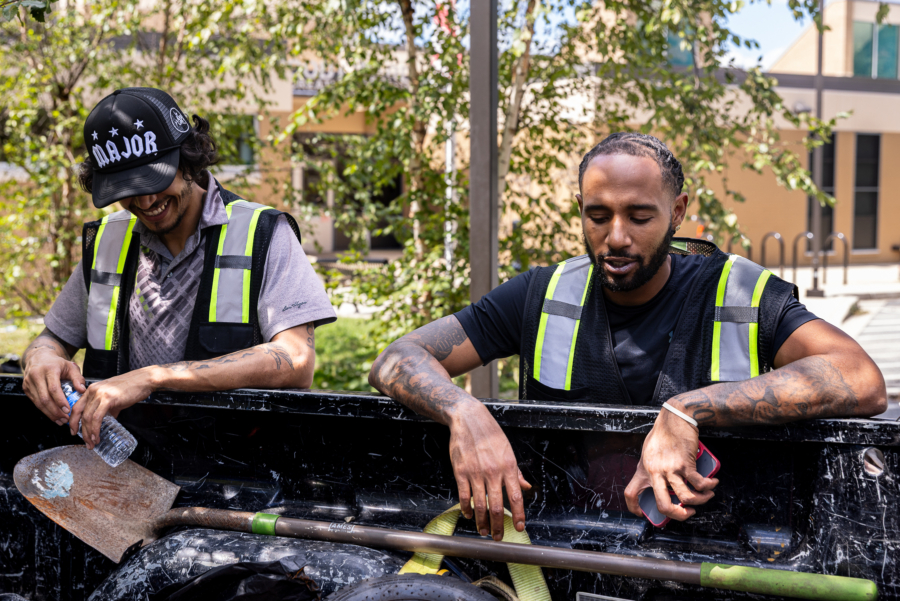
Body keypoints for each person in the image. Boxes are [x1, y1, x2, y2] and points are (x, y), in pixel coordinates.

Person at [369, 132, 887, 541]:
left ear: (678, 212)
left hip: (711, 558)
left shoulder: (741, 292)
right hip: (565, 555)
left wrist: (689, 410)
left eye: (640, 216)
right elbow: (395, 360)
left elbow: (862, 380)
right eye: (598, 216)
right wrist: (464, 413)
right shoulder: (544, 292)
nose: (616, 237)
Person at [22, 87, 336, 448]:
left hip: (233, 468)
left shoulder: (264, 233)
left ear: (187, 159)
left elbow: (296, 360)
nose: (146, 200)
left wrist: (153, 377)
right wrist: (41, 356)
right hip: (124, 468)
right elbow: (52, 339)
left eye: (154, 180)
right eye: (126, 188)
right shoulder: (109, 241)